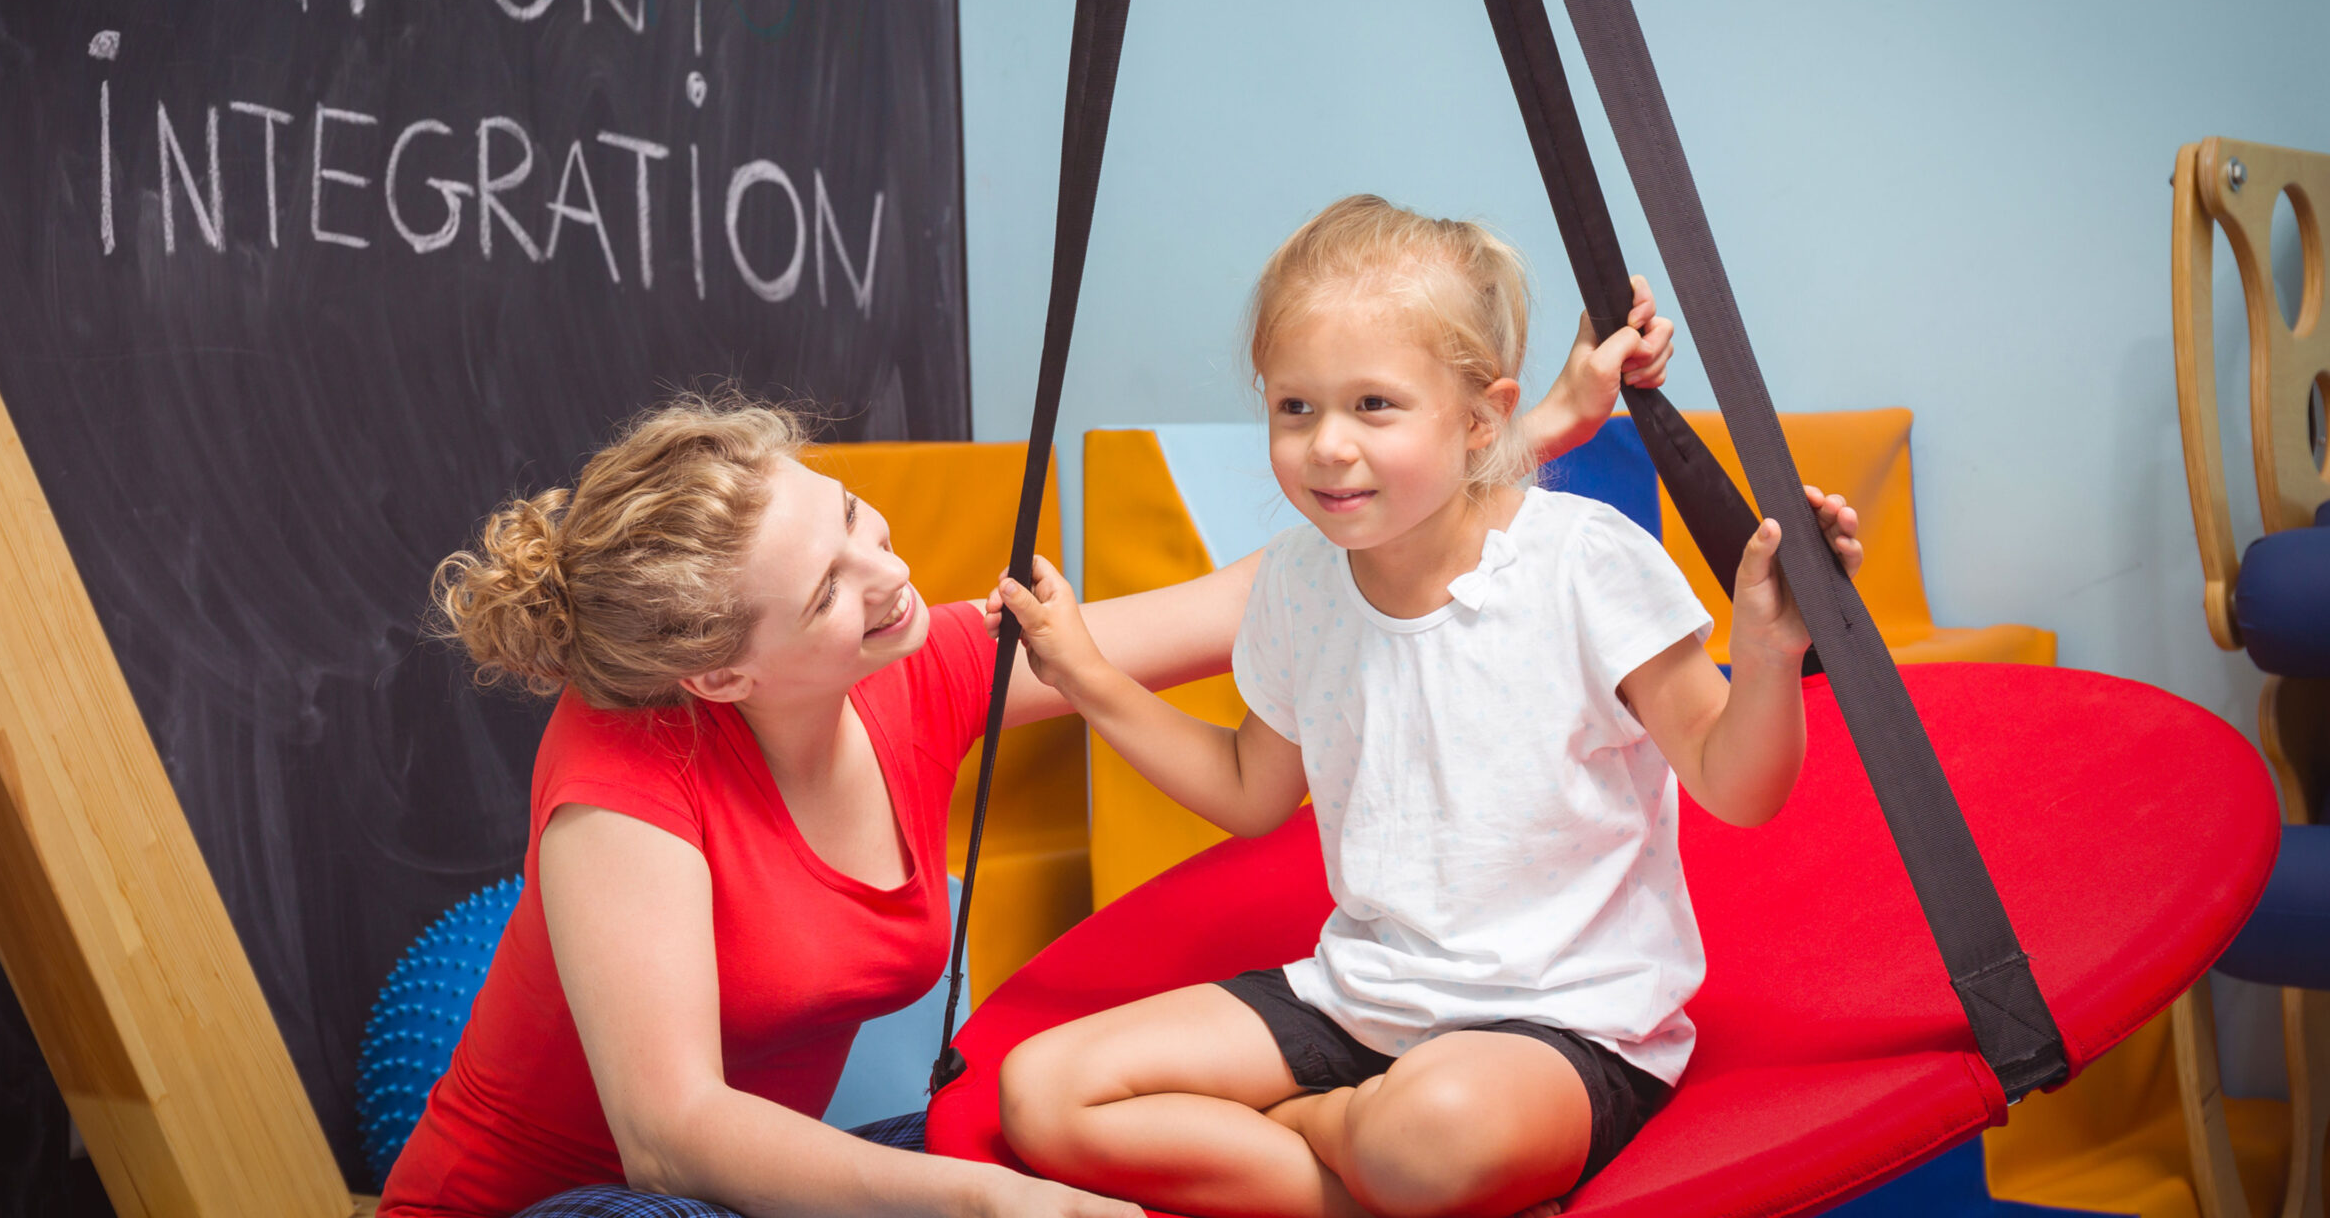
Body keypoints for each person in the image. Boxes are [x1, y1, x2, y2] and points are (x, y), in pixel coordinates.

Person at [375, 279, 1677, 1218]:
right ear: (720, 672)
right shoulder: (623, 773)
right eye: (827, 589)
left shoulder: (915, 666)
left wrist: (1517, 436)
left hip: (759, 1185)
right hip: (580, 1204)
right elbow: (669, 1139)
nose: (884, 575)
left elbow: (1256, 592)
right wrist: (982, 1207)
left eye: (851, 521)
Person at [992, 195, 1862, 1218]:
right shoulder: (1301, 580)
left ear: (1485, 416)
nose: (1327, 446)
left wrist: (1765, 652)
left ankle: (1325, 1134)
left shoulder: (1583, 563)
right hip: (1360, 999)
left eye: (1373, 406)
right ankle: (1370, 1179)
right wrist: (1090, 679)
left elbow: (1737, 785)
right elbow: (1247, 790)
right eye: (1294, 407)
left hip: (1559, 1029)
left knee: (1436, 1130)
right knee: (1042, 1093)